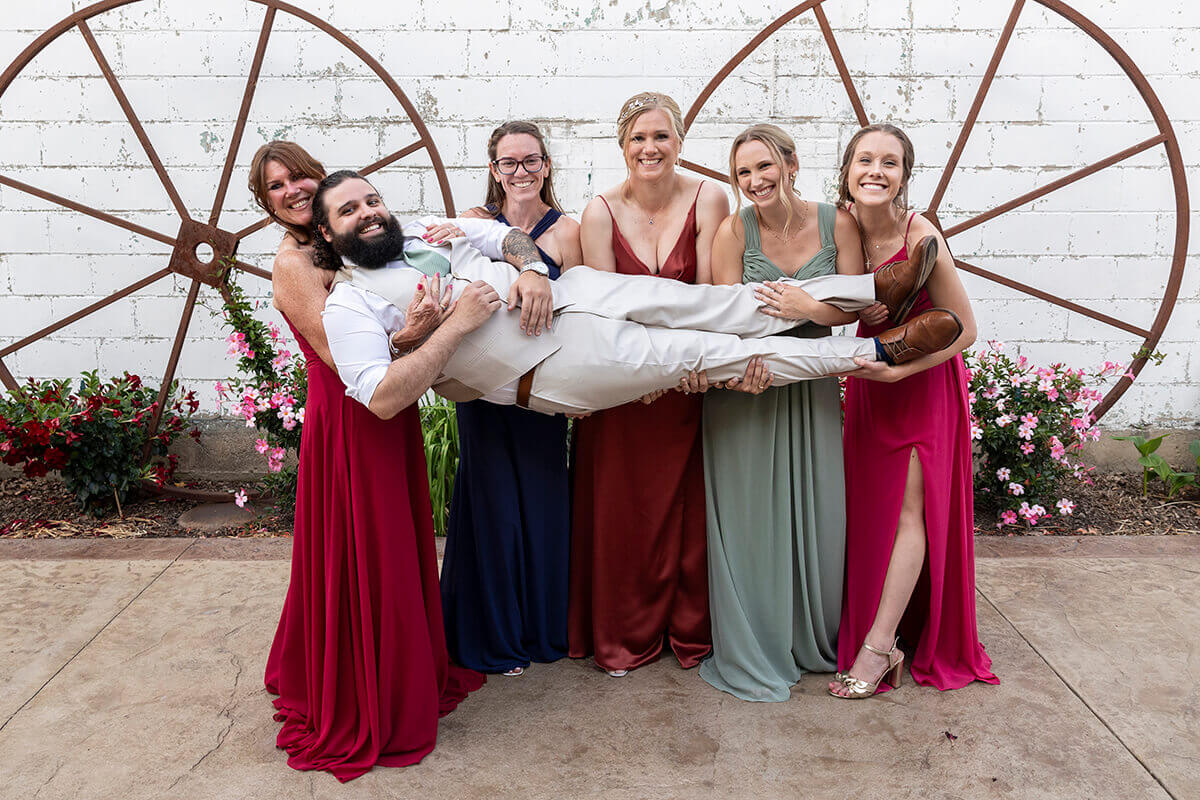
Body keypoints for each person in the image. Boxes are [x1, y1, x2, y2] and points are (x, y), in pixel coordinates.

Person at [314, 170, 961, 421]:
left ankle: (875, 284)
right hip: (545, 368)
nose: (370, 212)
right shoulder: (349, 303)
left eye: (372, 199)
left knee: (722, 303)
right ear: (327, 230)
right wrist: (451, 329)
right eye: (351, 209)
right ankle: (875, 348)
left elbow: (510, 238)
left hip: (576, 293)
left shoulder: (430, 227)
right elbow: (381, 398)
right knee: (713, 355)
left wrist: (533, 271)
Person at [250, 141, 484, 782]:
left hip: (390, 410)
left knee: (397, 542)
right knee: (366, 548)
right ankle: (367, 692)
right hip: (351, 419)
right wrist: (429, 327)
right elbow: (342, 359)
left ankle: (405, 667)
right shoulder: (295, 264)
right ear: (266, 202)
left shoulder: (341, 241)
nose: (293, 189)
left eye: (300, 176)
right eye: (277, 187)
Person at [696, 124, 880, 701]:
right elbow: (724, 322)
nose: (754, 181)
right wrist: (745, 370)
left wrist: (807, 304)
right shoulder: (733, 231)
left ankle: (814, 638)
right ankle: (758, 641)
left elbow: (854, 310)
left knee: (820, 512)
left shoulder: (837, 223)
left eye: (764, 167)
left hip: (813, 385)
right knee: (753, 520)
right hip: (748, 389)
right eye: (743, 173)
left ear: (791, 164)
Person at [830, 124, 999, 698]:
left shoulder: (920, 231)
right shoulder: (843, 228)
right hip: (870, 385)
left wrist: (901, 370)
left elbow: (966, 331)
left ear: (904, 175)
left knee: (909, 514)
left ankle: (881, 646)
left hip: (921, 384)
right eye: (865, 160)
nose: (876, 171)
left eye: (890, 163)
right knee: (871, 511)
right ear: (847, 170)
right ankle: (879, 622)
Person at [566, 92, 730, 677]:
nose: (650, 148)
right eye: (638, 138)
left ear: (679, 141)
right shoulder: (599, 212)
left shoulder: (710, 198)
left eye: (660, 136)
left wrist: (675, 365)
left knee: (685, 510)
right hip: (623, 391)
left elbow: (710, 297)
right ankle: (623, 632)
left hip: (685, 382)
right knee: (622, 511)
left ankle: (688, 627)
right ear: (622, 146)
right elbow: (604, 311)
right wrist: (638, 373)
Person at [438, 121, 582, 677]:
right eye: (508, 163)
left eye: (531, 161)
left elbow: (589, 307)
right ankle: (494, 635)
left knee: (544, 508)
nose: (520, 172)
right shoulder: (474, 225)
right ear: (494, 170)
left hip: (545, 385)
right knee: (493, 510)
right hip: (482, 387)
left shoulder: (568, 231)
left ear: (546, 165)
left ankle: (541, 631)